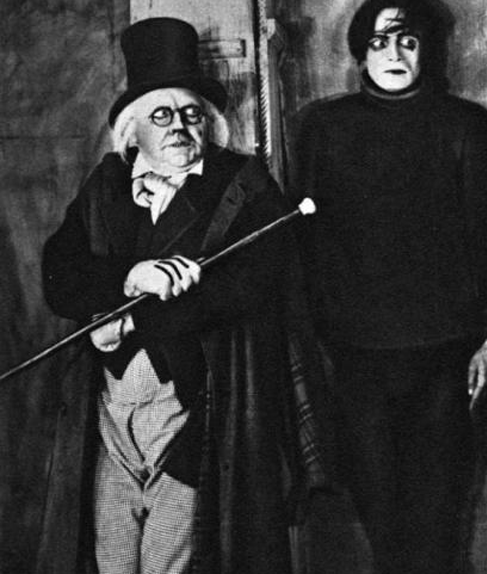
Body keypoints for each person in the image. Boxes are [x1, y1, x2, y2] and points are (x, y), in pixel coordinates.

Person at [41, 17, 325, 574]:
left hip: (195, 413)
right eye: (162, 115)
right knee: (112, 559)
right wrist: (130, 277)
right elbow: (60, 275)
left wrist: (133, 322)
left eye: (191, 114)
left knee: (169, 561)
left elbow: (256, 285)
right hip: (111, 418)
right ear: (132, 131)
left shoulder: (243, 185)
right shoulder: (105, 186)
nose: (179, 127)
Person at [292, 0, 487, 571]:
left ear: (425, 51)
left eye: (408, 41)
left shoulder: (463, 124)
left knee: (437, 523)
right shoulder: (324, 126)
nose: (394, 53)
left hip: (444, 356)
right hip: (356, 357)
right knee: (382, 522)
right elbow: (307, 244)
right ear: (360, 52)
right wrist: (319, 339)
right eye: (381, 42)